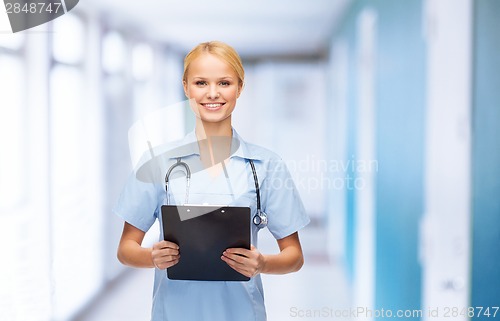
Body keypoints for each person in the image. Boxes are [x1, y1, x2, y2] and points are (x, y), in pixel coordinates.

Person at [114, 41, 310, 321]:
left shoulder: (266, 165)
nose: (213, 93)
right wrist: (152, 257)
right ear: (186, 87)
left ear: (240, 88)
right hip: (175, 313)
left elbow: (294, 256)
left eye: (225, 83)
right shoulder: (157, 163)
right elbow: (125, 250)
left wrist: (263, 263)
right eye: (201, 82)